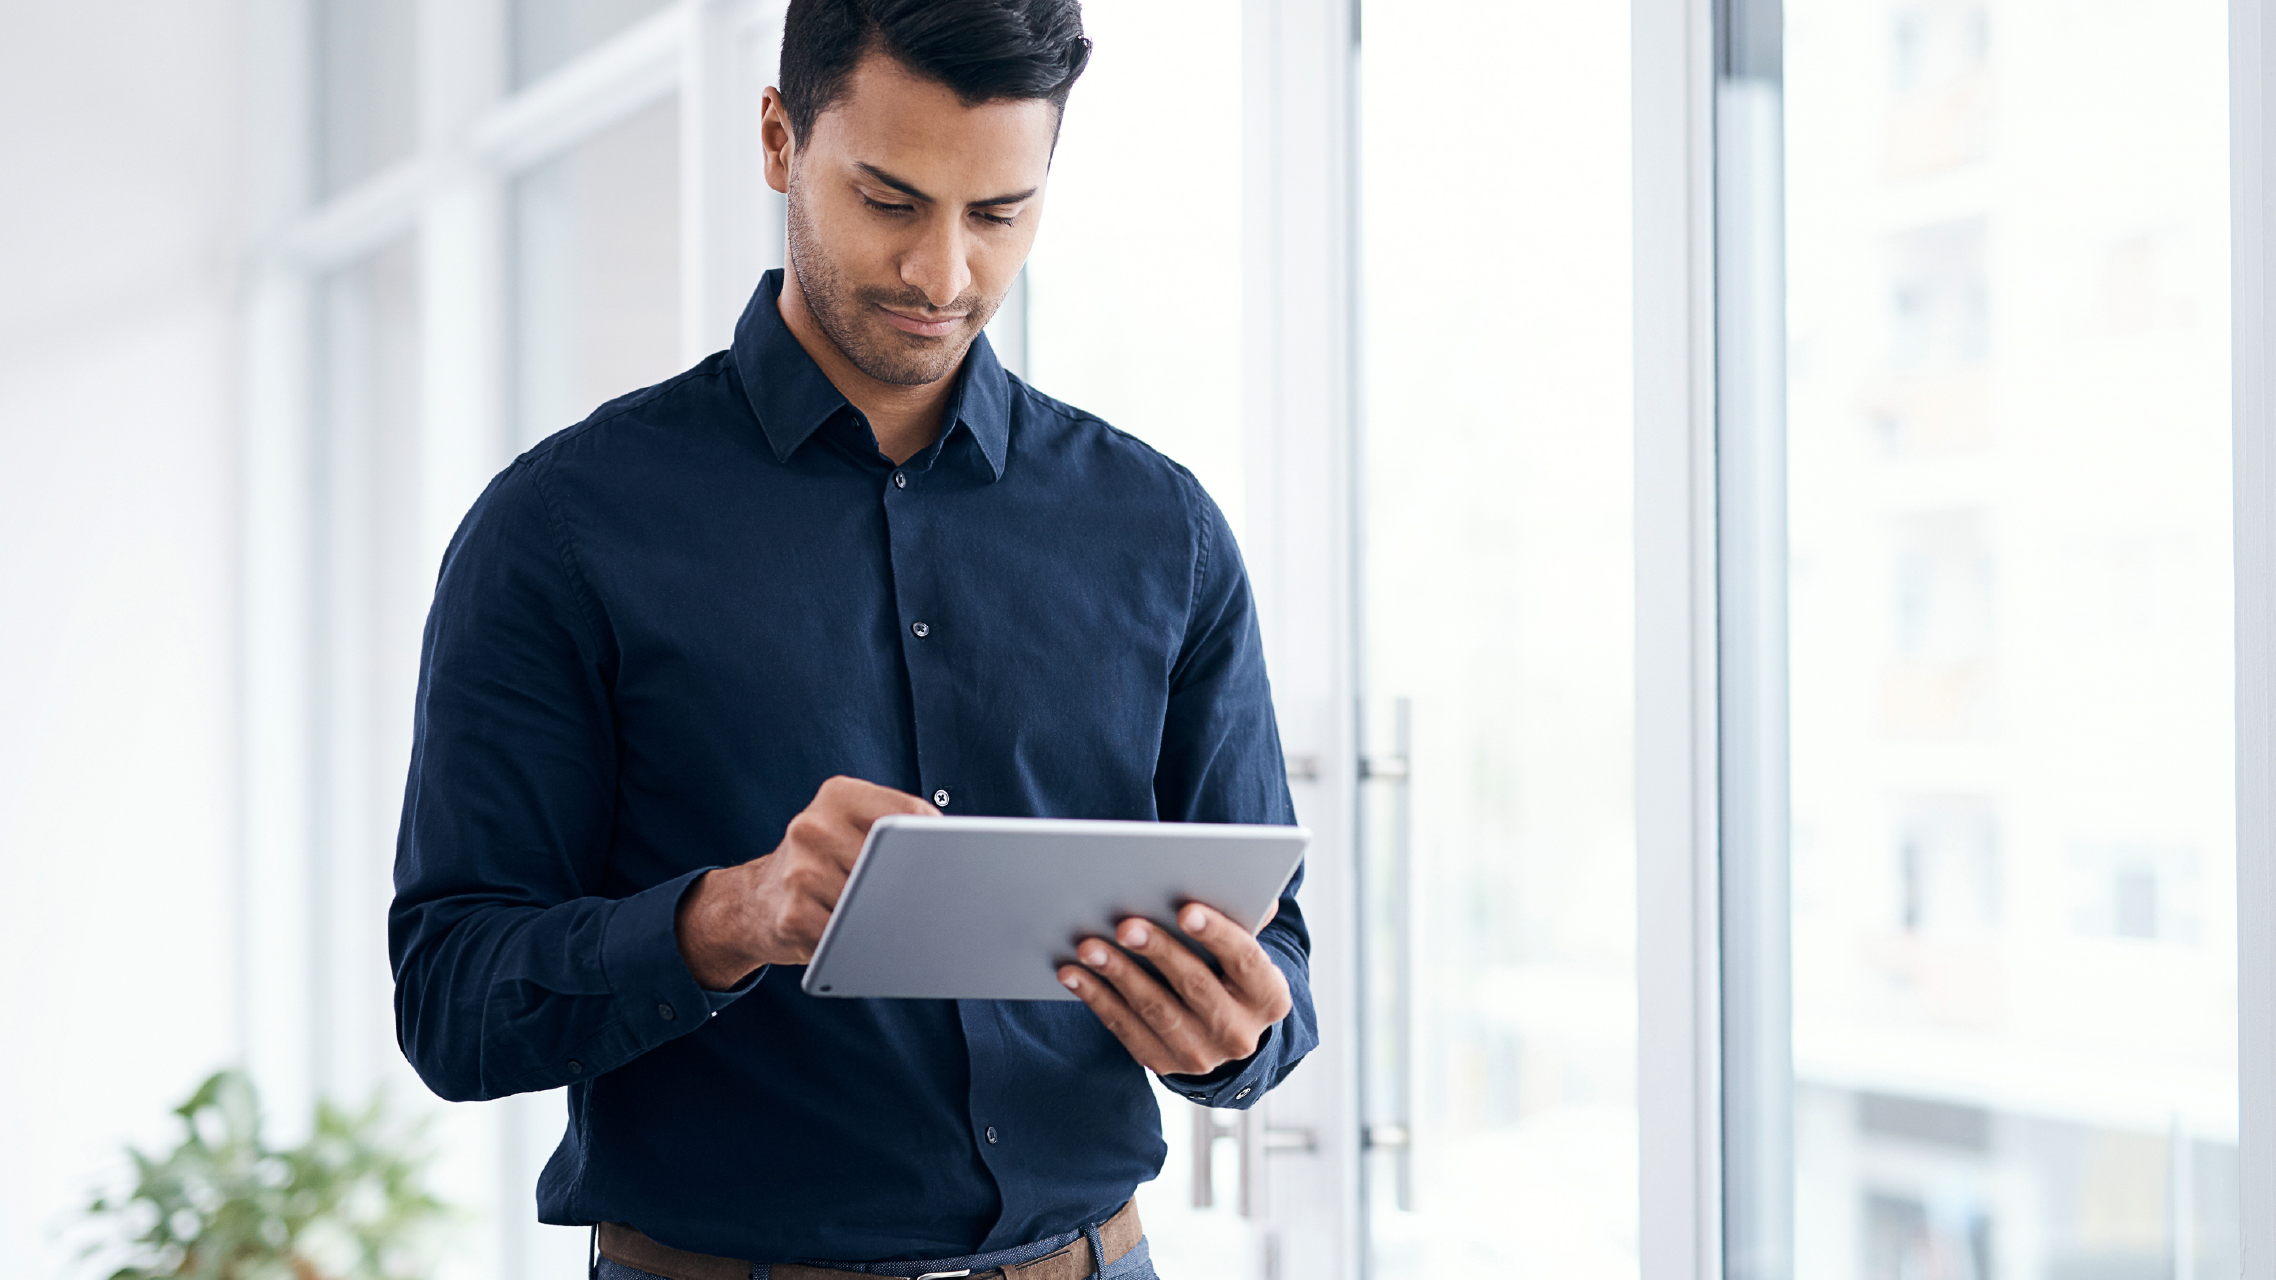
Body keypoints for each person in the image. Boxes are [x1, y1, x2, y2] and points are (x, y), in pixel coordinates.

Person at [387, 0, 1316, 1276]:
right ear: (779, 140)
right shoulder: (561, 530)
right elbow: (450, 999)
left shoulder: (1162, 529)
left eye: (999, 214)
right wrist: (727, 916)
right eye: (890, 199)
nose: (943, 275)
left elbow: (1277, 970)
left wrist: (1234, 1028)